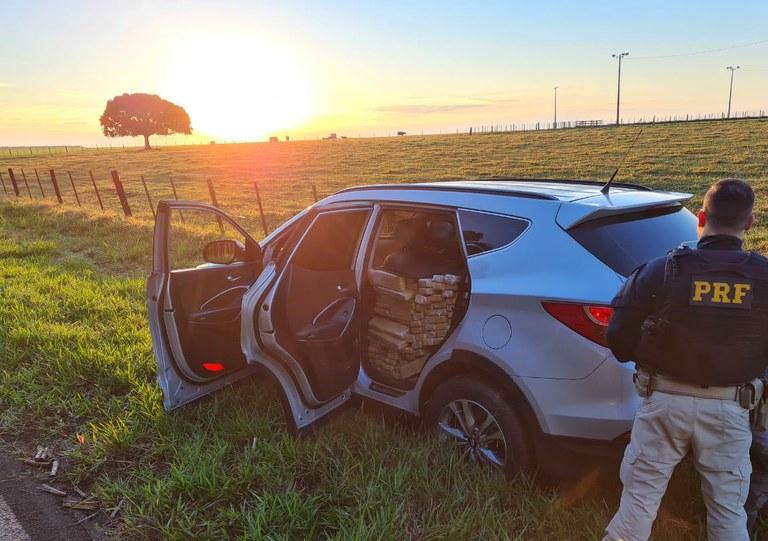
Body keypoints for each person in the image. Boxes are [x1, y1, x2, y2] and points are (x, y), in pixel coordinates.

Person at [602, 178, 768, 541]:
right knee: (727, 516)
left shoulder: (661, 269)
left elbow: (617, 338)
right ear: (750, 223)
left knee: (638, 504)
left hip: (662, 403)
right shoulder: (764, 276)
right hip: (731, 410)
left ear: (701, 218)